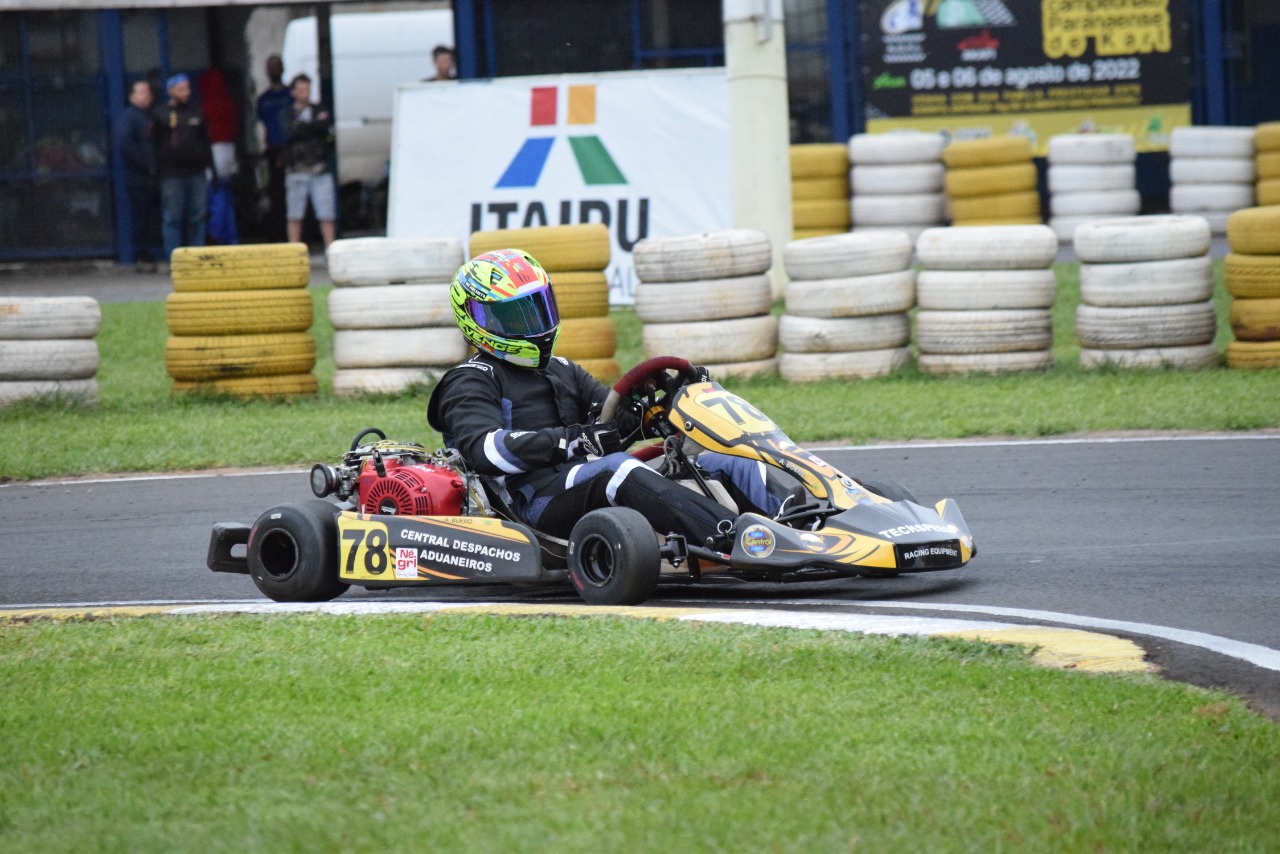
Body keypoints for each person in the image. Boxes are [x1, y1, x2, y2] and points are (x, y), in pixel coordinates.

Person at [427, 249, 792, 551]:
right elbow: (484, 449)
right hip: (529, 504)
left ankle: (803, 524)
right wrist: (570, 441)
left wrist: (658, 407)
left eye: (536, 309)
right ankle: (739, 540)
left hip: (583, 482)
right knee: (618, 468)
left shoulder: (562, 369)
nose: (531, 325)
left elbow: (611, 421)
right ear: (476, 320)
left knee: (725, 460)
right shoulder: (470, 379)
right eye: (512, 315)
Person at [152, 73, 212, 262]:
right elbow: (153, 143)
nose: (186, 92)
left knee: (197, 218)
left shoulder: (197, 113)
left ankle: (196, 260)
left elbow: (205, 142)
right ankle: (175, 260)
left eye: (187, 88)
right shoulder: (160, 113)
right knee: (173, 218)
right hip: (172, 175)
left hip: (196, 173)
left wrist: (210, 168)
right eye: (181, 88)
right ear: (171, 91)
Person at [280, 73, 335, 249]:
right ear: (293, 92)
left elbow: (324, 127)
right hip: (296, 170)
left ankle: (331, 251)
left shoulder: (320, 109)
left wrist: (303, 127)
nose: (305, 93)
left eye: (308, 89)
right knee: (295, 215)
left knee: (326, 214)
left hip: (319, 169)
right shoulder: (287, 113)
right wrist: (310, 128)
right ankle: (294, 252)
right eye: (301, 89)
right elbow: (288, 133)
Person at [113, 79, 157, 271]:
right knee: (140, 218)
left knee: (151, 218)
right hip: (138, 178)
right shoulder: (129, 117)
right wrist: (147, 164)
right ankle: (142, 255)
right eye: (142, 92)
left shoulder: (150, 116)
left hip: (151, 178)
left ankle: (148, 253)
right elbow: (125, 145)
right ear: (131, 96)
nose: (146, 95)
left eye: (148, 92)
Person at [255, 55, 292, 241]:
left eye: (277, 66)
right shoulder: (264, 99)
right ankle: (277, 234)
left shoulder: (289, 95)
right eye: (271, 67)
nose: (274, 70)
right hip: (272, 152)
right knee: (275, 194)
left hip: (292, 151)